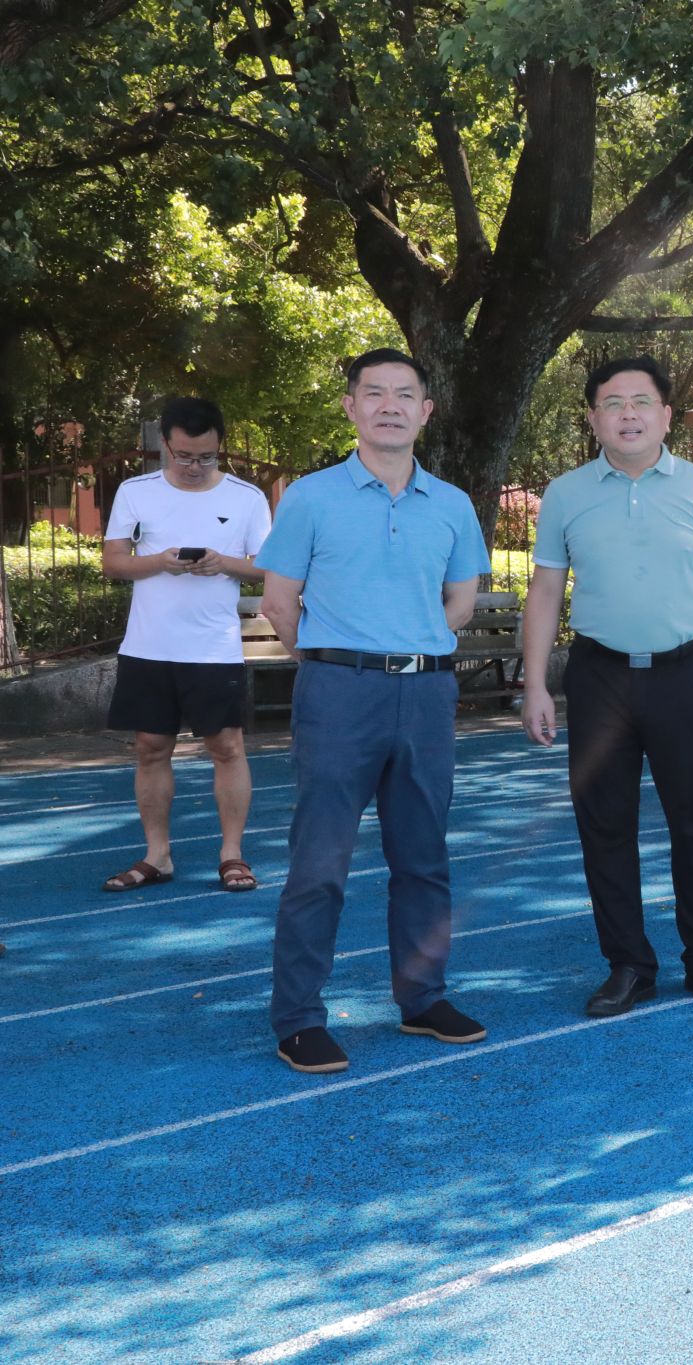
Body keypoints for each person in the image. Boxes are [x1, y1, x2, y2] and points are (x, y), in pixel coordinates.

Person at [256, 348, 493, 1074]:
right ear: (351, 406)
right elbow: (279, 602)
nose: (390, 406)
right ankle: (298, 1018)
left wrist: (408, 650)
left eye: (405, 394)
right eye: (375, 393)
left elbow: (461, 601)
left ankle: (423, 999)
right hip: (339, 693)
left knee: (424, 857)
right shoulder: (310, 497)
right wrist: (337, 661)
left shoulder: (451, 503)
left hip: (425, 694)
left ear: (426, 410)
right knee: (320, 862)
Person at [520, 355, 693, 1019]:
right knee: (603, 825)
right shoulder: (566, 493)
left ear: (666, 414)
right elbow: (545, 592)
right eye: (612, 403)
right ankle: (628, 963)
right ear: (592, 417)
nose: (627, 414)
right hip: (598, 676)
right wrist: (535, 683)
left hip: (685, 673)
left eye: (641, 402)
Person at [98, 397, 271, 894]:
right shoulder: (135, 491)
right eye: (184, 456)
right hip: (148, 646)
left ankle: (232, 855)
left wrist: (223, 563)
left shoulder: (247, 497)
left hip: (213, 648)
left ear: (220, 447)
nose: (194, 466)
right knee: (151, 748)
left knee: (227, 747)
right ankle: (158, 856)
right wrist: (160, 562)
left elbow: (267, 566)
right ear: (164, 446)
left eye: (206, 457)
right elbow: (113, 562)